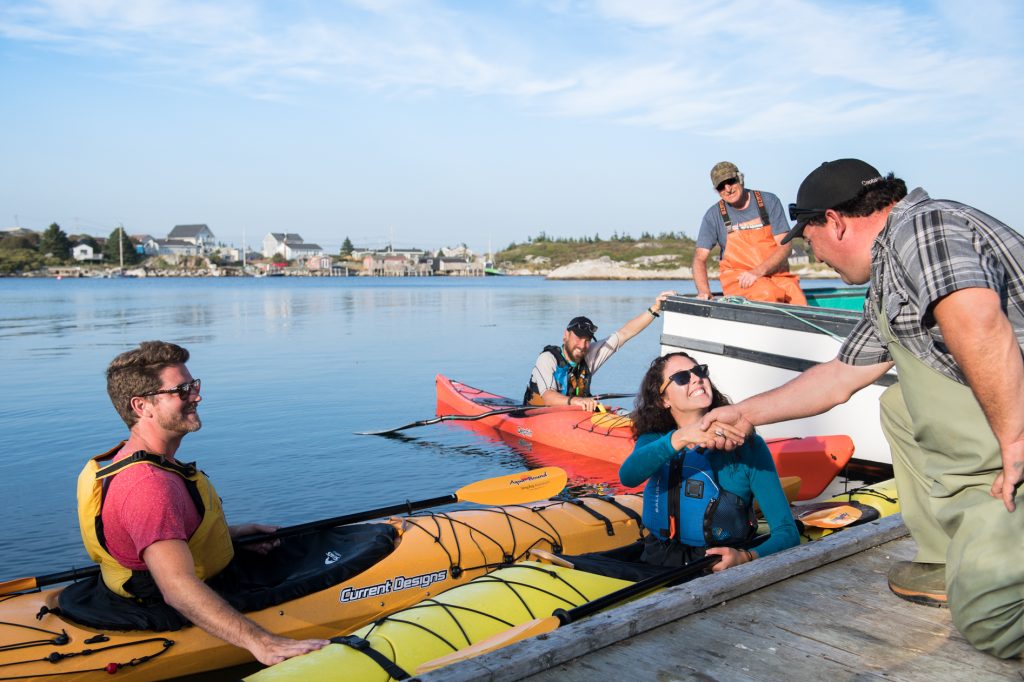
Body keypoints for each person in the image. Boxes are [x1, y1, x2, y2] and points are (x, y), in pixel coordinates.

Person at [701, 159, 1024, 659]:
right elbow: (840, 376)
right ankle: (947, 559)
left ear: (835, 222)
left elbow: (977, 318)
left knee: (993, 621)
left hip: (1017, 428)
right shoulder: (890, 272)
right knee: (898, 404)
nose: (815, 257)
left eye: (810, 242)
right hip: (1004, 422)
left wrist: (1014, 440)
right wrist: (744, 414)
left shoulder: (924, 226)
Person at [73, 341, 329, 665]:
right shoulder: (149, 486)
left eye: (193, 385)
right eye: (182, 390)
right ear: (142, 406)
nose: (196, 396)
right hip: (162, 606)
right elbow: (176, 588)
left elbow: (156, 534)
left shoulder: (139, 460)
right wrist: (262, 643)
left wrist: (232, 535)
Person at [619, 352, 799, 570]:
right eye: (682, 377)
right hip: (656, 559)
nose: (696, 378)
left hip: (715, 567)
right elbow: (628, 476)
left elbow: (787, 533)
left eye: (699, 371)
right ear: (663, 400)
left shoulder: (747, 446)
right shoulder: (654, 440)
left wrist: (747, 557)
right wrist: (683, 436)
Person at [523, 291, 674, 410]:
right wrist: (578, 401)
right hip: (536, 416)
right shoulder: (548, 358)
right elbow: (549, 397)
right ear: (566, 336)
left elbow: (624, 334)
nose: (582, 345)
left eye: (587, 340)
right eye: (578, 338)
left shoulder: (589, 355)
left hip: (571, 416)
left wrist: (655, 308)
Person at [693, 161, 807, 305]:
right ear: (716, 190)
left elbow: (785, 245)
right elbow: (700, 258)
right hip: (740, 280)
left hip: (776, 275)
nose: (728, 189)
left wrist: (758, 272)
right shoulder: (713, 215)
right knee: (768, 293)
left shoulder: (769, 201)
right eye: (721, 186)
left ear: (740, 179)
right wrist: (704, 291)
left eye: (731, 182)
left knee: (797, 297)